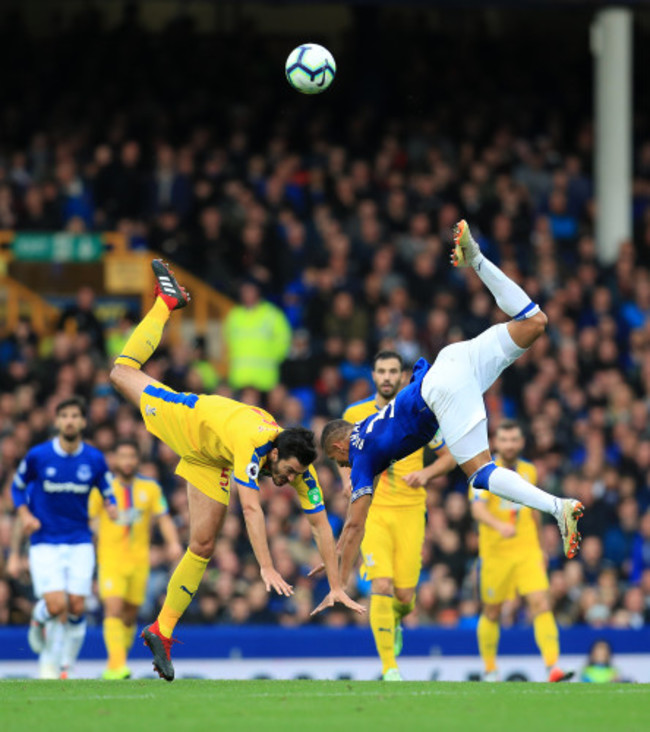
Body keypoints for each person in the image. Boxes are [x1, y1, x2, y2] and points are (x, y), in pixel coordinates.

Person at [109, 260, 363, 681]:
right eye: (284, 472)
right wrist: (265, 567)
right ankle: (165, 304)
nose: (285, 480)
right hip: (186, 420)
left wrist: (336, 585)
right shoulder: (254, 444)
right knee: (120, 373)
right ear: (275, 452)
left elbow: (320, 526)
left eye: (293, 475)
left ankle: (162, 630)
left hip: (212, 455)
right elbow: (251, 510)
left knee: (203, 545)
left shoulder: (299, 467)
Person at [317, 220, 584, 609]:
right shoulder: (369, 425)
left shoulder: (360, 456)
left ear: (341, 444)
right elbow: (351, 528)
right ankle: (475, 259)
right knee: (534, 321)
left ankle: (557, 508)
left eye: (336, 458)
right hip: (451, 359)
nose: (342, 465)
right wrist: (335, 552)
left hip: (441, 392)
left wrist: (337, 582)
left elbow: (357, 522)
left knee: (481, 473)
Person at [340, 350, 454, 681]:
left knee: (404, 596)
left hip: (410, 510)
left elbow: (448, 457)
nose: (387, 377)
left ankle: (398, 617)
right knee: (382, 583)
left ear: (403, 376)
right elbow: (341, 454)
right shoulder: (354, 414)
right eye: (381, 371)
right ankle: (390, 666)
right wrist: (349, 484)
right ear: (373, 376)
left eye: (393, 371)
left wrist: (427, 474)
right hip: (373, 510)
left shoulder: (417, 409)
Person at [10, 396, 117, 679]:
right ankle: (38, 620)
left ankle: (66, 665)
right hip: (45, 540)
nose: (69, 420)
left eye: (74, 416)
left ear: (83, 421)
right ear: (57, 421)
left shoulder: (94, 459)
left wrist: (112, 505)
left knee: (78, 606)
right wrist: (25, 516)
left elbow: (107, 488)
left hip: (80, 539)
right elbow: (17, 488)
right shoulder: (39, 456)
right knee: (57, 606)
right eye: (64, 415)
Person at [469, 420, 573, 682]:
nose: (509, 444)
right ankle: (490, 670)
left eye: (514, 439)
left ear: (521, 442)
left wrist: (540, 546)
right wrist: (498, 525)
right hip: (495, 553)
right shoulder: (483, 471)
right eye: (504, 440)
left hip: (527, 551)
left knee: (540, 603)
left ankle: (553, 667)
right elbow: (477, 508)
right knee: (492, 611)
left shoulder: (530, 470)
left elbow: (534, 510)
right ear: (496, 443)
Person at [89, 439, 183, 680]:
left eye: (132, 456)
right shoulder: (102, 487)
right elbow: (90, 519)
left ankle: (120, 662)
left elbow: (163, 517)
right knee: (113, 608)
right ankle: (116, 665)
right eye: (123, 456)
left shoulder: (150, 488)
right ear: (115, 460)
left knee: (130, 614)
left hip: (139, 562)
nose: (128, 461)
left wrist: (173, 543)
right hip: (110, 560)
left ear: (137, 460)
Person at [223, 280, 292, 392]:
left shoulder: (272, 314)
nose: (247, 294)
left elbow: (284, 340)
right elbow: (228, 343)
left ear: (257, 291)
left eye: (250, 290)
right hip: (239, 379)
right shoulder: (234, 316)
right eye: (244, 291)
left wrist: (273, 357)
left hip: (265, 380)